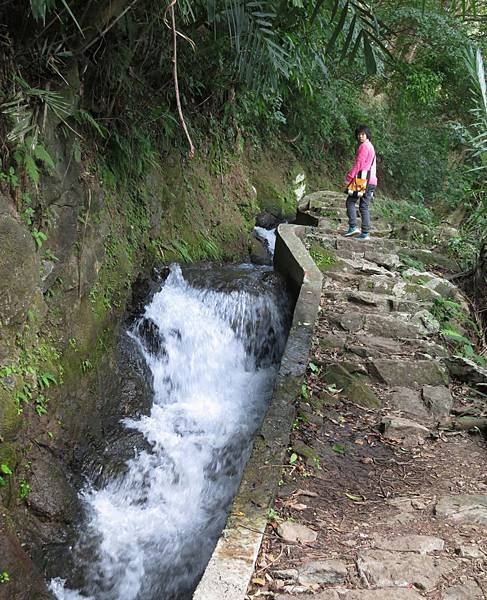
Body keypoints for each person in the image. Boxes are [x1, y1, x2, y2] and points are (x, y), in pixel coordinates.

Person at [343, 125, 377, 240]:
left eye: (363, 134)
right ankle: (365, 233)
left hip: (362, 179)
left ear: (367, 135)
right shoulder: (371, 147)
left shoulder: (364, 146)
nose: (360, 136)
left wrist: (349, 177)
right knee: (364, 206)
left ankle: (353, 227)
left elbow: (359, 164)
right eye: (359, 134)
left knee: (350, 202)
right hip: (372, 180)